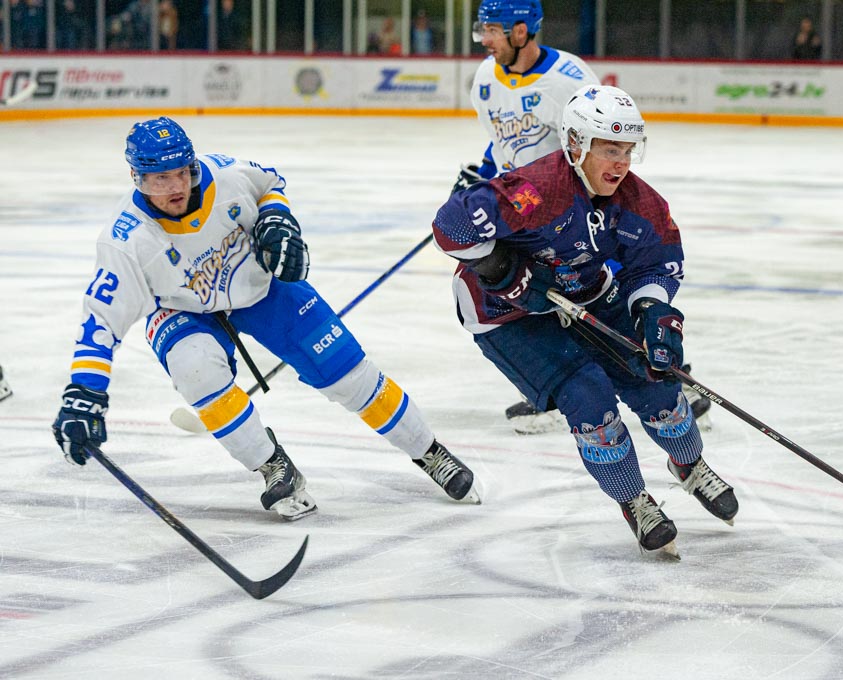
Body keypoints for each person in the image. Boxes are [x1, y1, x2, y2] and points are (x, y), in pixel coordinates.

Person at [52, 117, 479, 521]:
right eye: (161, 179)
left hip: (260, 287)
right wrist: (83, 393)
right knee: (195, 369)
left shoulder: (227, 176)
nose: (177, 186)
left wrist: (277, 217)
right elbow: (100, 323)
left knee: (347, 372)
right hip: (181, 309)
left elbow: (270, 184)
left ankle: (429, 452)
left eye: (183, 172)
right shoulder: (125, 240)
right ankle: (272, 465)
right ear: (137, 178)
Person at [433, 85, 739, 556]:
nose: (621, 163)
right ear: (576, 144)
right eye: (610, 149)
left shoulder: (639, 202)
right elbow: (450, 227)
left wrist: (653, 311)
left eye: (628, 151)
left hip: (588, 293)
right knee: (588, 396)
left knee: (656, 380)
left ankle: (689, 464)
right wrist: (503, 269)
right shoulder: (536, 190)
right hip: (509, 315)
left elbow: (656, 264)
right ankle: (634, 500)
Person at [455, 0, 712, 435]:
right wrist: (483, 176)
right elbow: (501, 143)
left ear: (521, 31)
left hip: (574, 209)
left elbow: (605, 147)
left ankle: (666, 378)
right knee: (532, 293)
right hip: (524, 217)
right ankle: (559, 385)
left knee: (605, 291)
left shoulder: (569, 80)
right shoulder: (485, 78)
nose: (485, 40)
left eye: (492, 30)